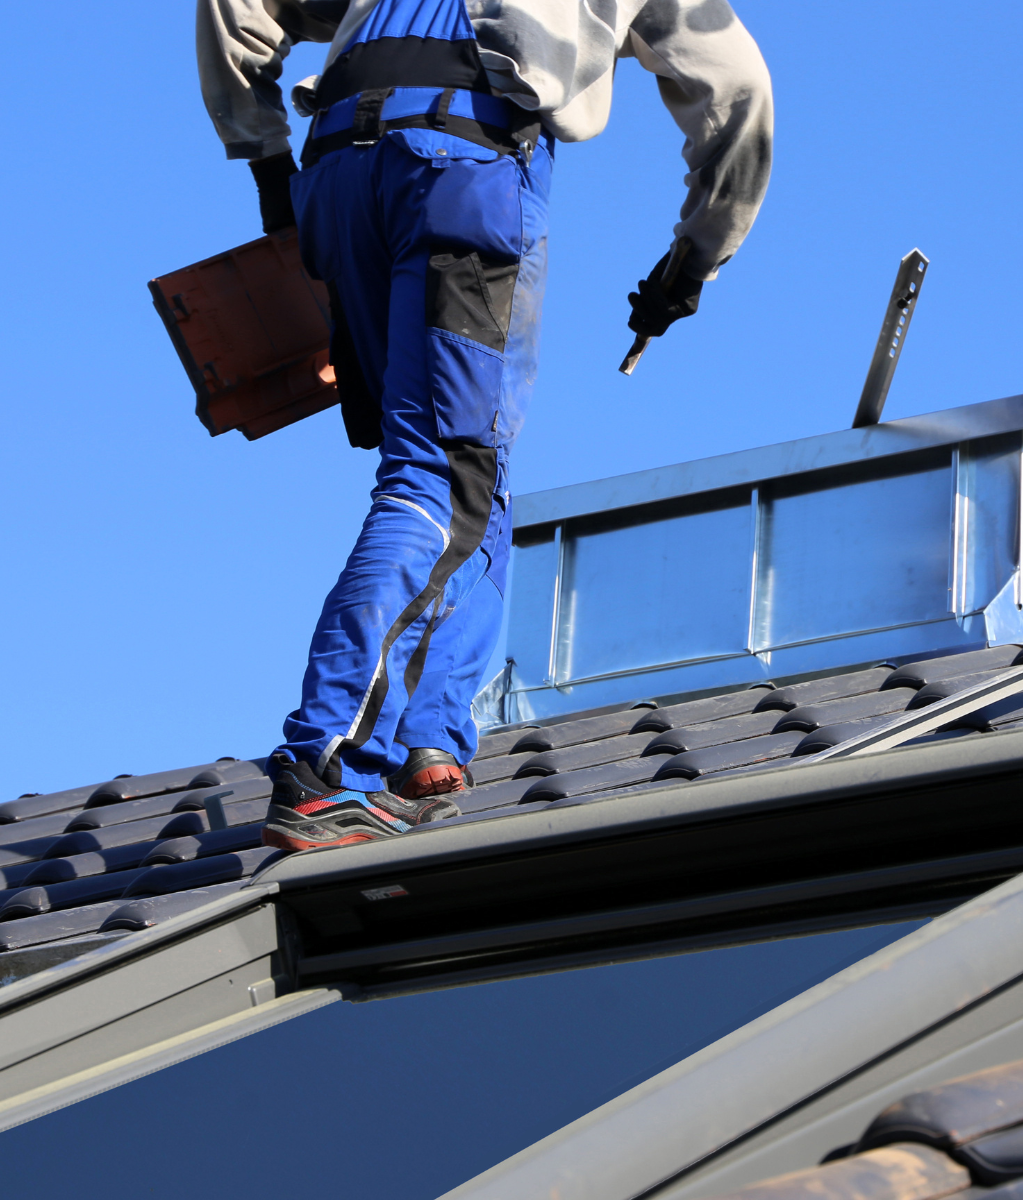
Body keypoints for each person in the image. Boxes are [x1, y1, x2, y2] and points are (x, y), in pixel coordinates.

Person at [196, 0, 773, 851]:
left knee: (475, 464)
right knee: (442, 475)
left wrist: (265, 159)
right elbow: (739, 94)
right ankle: (328, 762)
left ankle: (430, 738)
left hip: (339, 176)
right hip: (461, 163)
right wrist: (695, 259)